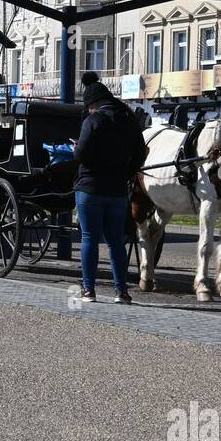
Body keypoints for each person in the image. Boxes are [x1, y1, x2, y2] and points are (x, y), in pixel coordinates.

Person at [73, 72, 145, 304]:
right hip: (117, 190)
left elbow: (81, 153)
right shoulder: (128, 120)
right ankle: (121, 291)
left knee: (89, 238)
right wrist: (124, 172)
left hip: (90, 188)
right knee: (115, 241)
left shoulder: (93, 120)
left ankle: (88, 290)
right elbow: (140, 153)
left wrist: (76, 150)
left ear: (92, 104)